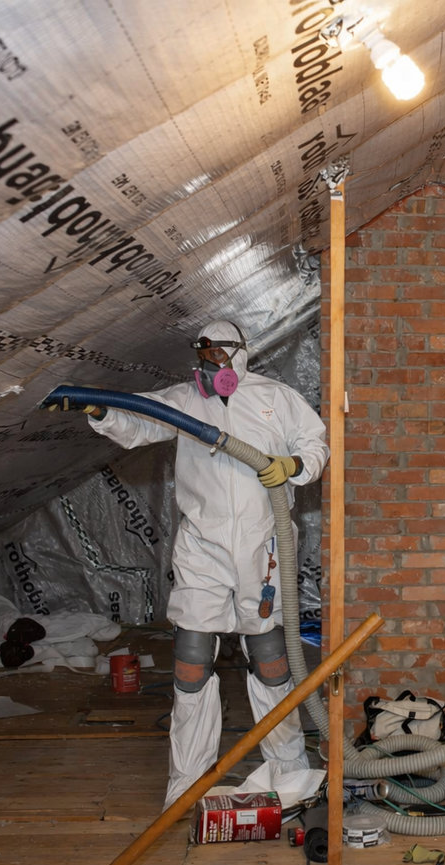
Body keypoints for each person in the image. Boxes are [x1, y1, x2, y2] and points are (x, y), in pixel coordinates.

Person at [49, 320, 328, 809]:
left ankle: (287, 770)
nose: (212, 361)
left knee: (270, 659)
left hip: (264, 545)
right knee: (192, 661)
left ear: (242, 354)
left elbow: (316, 444)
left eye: (221, 352)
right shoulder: (183, 399)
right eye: (204, 352)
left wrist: (294, 466)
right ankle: (187, 779)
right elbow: (137, 424)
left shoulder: (277, 397)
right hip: (202, 544)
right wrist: (99, 409)